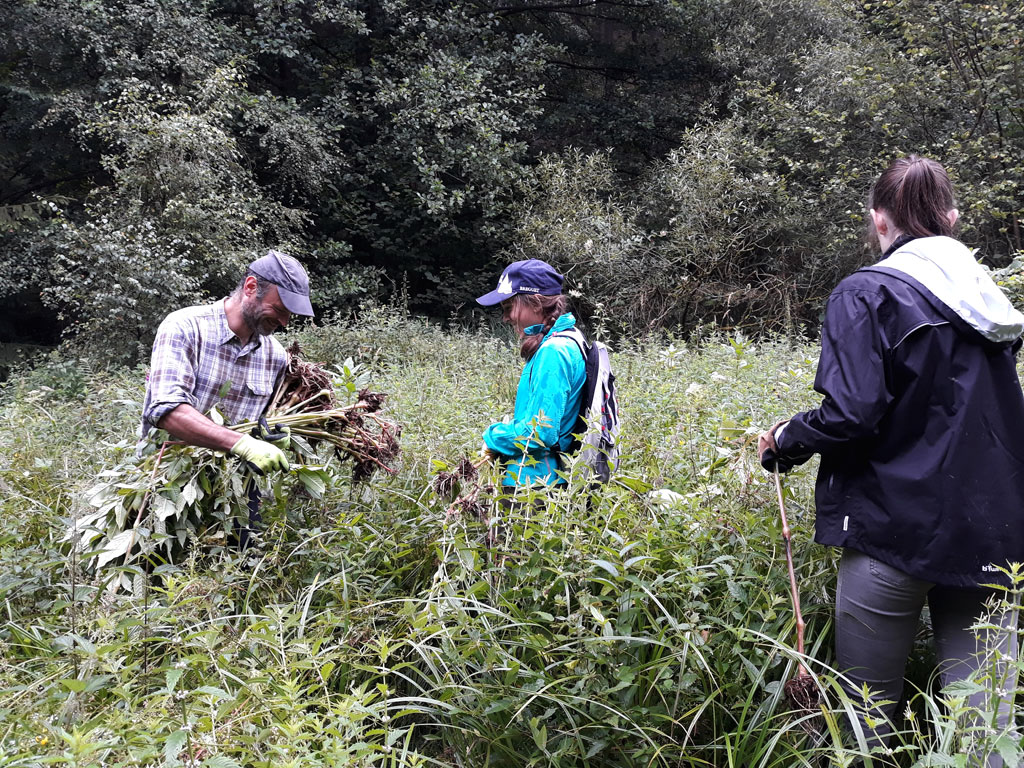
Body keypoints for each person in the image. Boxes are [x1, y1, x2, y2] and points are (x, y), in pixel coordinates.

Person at [758, 155, 1024, 761]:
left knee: (865, 720)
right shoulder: (991, 302)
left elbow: (852, 413)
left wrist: (786, 438)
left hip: (889, 531)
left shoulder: (866, 292)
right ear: (952, 219)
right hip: (993, 534)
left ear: (879, 222)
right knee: (983, 729)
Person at [139, 250, 315, 543]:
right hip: (167, 480)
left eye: (290, 315)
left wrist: (269, 435)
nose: (284, 322)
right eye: (280, 308)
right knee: (161, 575)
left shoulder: (275, 357)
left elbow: (257, 421)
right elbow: (167, 410)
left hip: (238, 493)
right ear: (250, 288)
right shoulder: (184, 327)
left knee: (244, 576)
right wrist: (241, 443)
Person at [476, 259, 586, 488]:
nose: (506, 317)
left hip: (532, 488)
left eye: (508, 308)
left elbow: (539, 433)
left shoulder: (553, 351)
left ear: (535, 303)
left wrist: (493, 437)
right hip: (539, 480)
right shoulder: (567, 339)